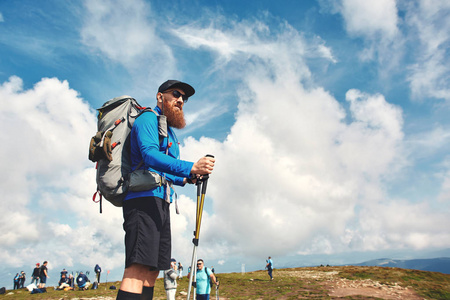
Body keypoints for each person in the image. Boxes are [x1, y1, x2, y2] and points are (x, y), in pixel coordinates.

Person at [116, 80, 216, 300]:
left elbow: (162, 170)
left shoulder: (168, 129)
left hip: (161, 202)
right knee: (137, 269)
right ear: (160, 96)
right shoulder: (148, 119)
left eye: (184, 98)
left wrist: (186, 178)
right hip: (142, 201)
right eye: (176, 94)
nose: (180, 100)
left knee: (152, 270)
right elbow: (150, 155)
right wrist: (190, 166)